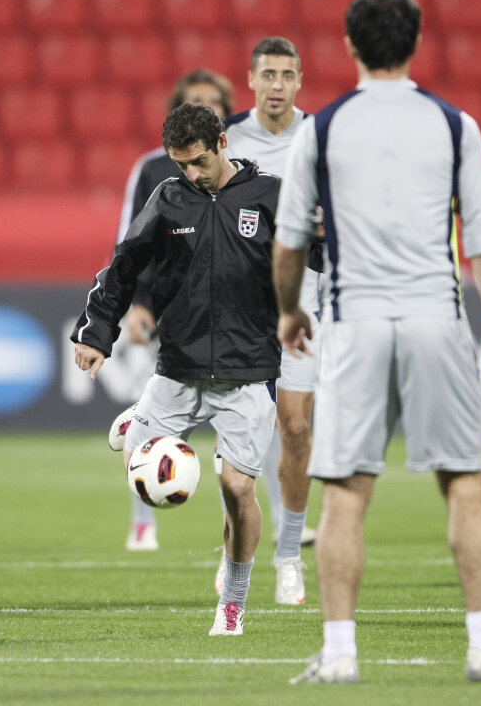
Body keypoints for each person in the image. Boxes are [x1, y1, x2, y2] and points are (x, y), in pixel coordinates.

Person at [273, 0, 481, 684]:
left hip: (354, 320)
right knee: (466, 482)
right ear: (416, 43)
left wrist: (288, 311)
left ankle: (339, 655)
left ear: (349, 46)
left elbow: (289, 241)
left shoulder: (321, 130)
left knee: (345, 491)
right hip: (434, 317)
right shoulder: (455, 126)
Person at [73, 102, 282, 636]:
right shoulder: (169, 198)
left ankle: (233, 602)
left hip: (247, 371)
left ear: (222, 144)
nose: (191, 173)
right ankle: (138, 420)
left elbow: (323, 253)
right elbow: (123, 266)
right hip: (178, 368)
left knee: (237, 489)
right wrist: (97, 333)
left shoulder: (271, 197)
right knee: (137, 477)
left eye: (199, 162)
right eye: (180, 164)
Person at [116, 69, 234, 552]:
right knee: (153, 424)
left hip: (232, 318)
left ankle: (238, 534)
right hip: (168, 312)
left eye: (214, 102)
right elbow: (131, 242)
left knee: (244, 433)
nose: (206, 108)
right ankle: (143, 520)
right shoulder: (152, 169)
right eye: (195, 102)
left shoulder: (248, 171)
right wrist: (137, 303)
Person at [222, 36, 318, 606]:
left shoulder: (320, 136)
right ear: (251, 80)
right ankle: (233, 553)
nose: (277, 85)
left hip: (306, 300)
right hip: (243, 306)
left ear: (300, 81)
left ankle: (288, 556)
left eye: (287, 75)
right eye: (268, 75)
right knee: (239, 436)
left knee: (297, 428)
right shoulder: (228, 139)